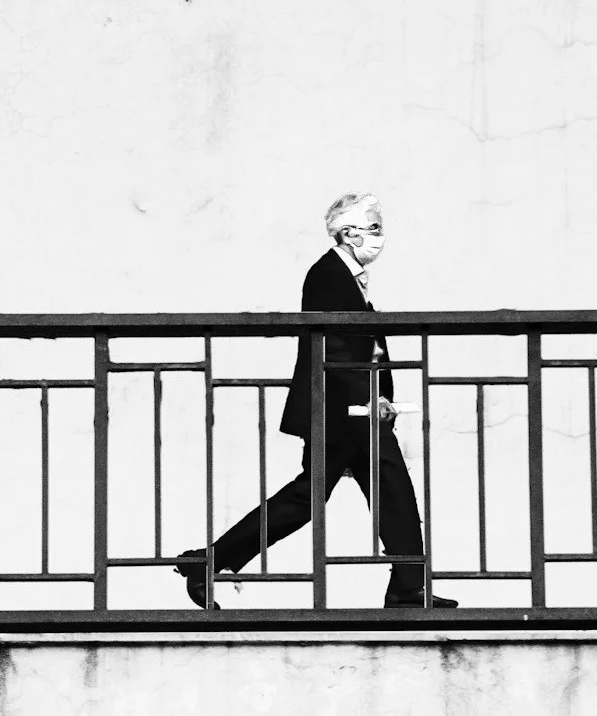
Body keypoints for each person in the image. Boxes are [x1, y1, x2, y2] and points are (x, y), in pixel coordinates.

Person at [176, 194, 456, 611]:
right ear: (348, 233)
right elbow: (336, 348)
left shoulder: (341, 275)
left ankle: (213, 561)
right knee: (371, 491)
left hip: (349, 408)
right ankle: (406, 586)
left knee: (342, 495)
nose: (379, 237)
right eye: (373, 228)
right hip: (347, 412)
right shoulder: (328, 274)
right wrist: (369, 401)